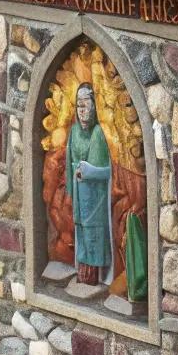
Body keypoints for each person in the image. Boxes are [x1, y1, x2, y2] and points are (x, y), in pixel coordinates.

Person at [65, 83, 113, 284]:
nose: (82, 111)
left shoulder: (99, 134)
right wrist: (70, 190)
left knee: (94, 233)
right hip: (79, 194)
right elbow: (69, 163)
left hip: (96, 197)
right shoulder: (74, 132)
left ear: (95, 106)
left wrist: (88, 172)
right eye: (79, 106)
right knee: (81, 231)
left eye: (86, 105)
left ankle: (95, 277)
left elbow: (107, 172)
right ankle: (83, 273)